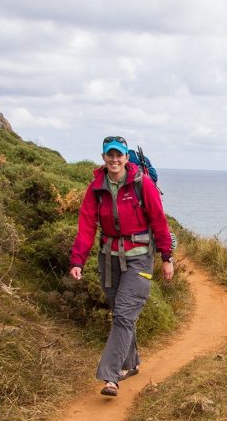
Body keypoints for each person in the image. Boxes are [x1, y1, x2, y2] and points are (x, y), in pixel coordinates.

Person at [69, 135, 174, 396]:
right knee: (120, 313)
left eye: (119, 155)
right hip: (109, 258)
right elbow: (85, 226)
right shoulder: (96, 187)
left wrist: (166, 257)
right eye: (109, 155)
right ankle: (131, 362)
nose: (114, 159)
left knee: (124, 315)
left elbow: (159, 221)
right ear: (103, 158)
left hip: (139, 258)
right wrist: (77, 260)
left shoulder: (142, 184)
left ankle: (111, 376)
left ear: (127, 158)